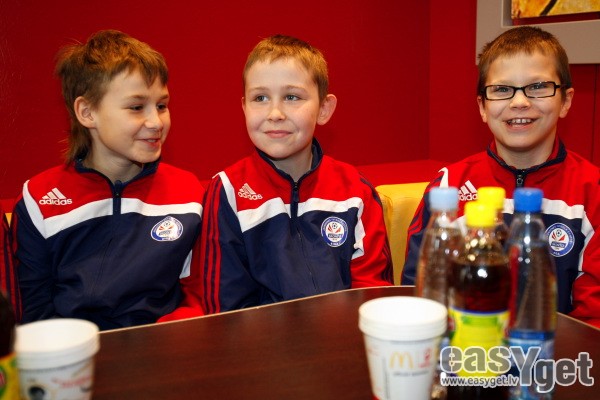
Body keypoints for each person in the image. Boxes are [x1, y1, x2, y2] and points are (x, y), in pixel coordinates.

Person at [402, 26, 600, 327]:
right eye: (502, 90)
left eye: (538, 86)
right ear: (482, 106)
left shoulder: (592, 191)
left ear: (566, 100)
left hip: (554, 352)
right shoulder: (449, 186)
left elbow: (593, 322)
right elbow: (420, 293)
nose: (519, 102)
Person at [11, 30, 204, 330]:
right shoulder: (40, 199)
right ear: (87, 112)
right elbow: (35, 312)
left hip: (165, 347)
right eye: (136, 107)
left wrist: (167, 340)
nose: (156, 122)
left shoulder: (189, 193)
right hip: (76, 351)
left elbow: (199, 295)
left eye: (162, 105)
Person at [199, 34, 393, 313]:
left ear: (324, 109)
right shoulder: (228, 191)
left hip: (345, 335)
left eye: (291, 97)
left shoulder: (355, 191)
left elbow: (373, 294)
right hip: (261, 340)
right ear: (244, 107)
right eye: (260, 98)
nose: (275, 113)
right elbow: (226, 308)